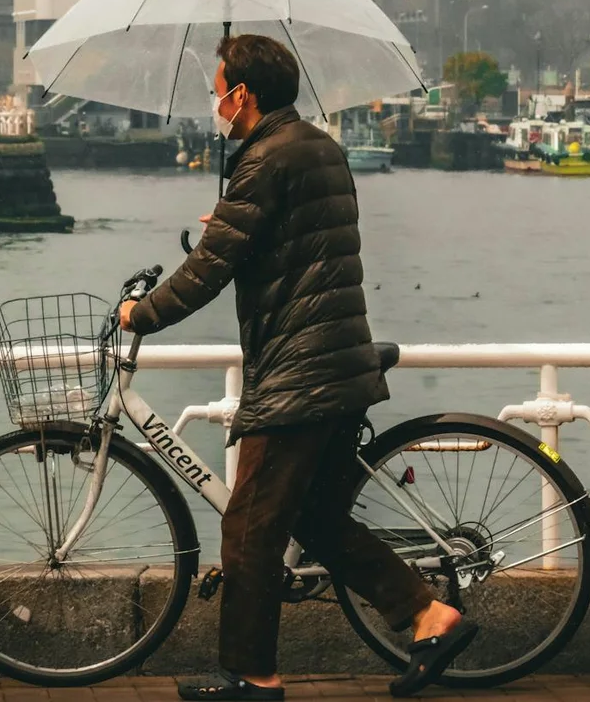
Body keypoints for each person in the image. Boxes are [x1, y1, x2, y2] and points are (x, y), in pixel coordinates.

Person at [119, 35, 475, 701]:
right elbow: (299, 235)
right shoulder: (316, 146)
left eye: (219, 91)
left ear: (243, 94)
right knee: (313, 517)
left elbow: (208, 270)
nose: (216, 104)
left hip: (298, 373)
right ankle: (428, 614)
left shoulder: (262, 161)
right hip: (338, 359)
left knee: (249, 527)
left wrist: (141, 314)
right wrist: (235, 216)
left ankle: (252, 675)